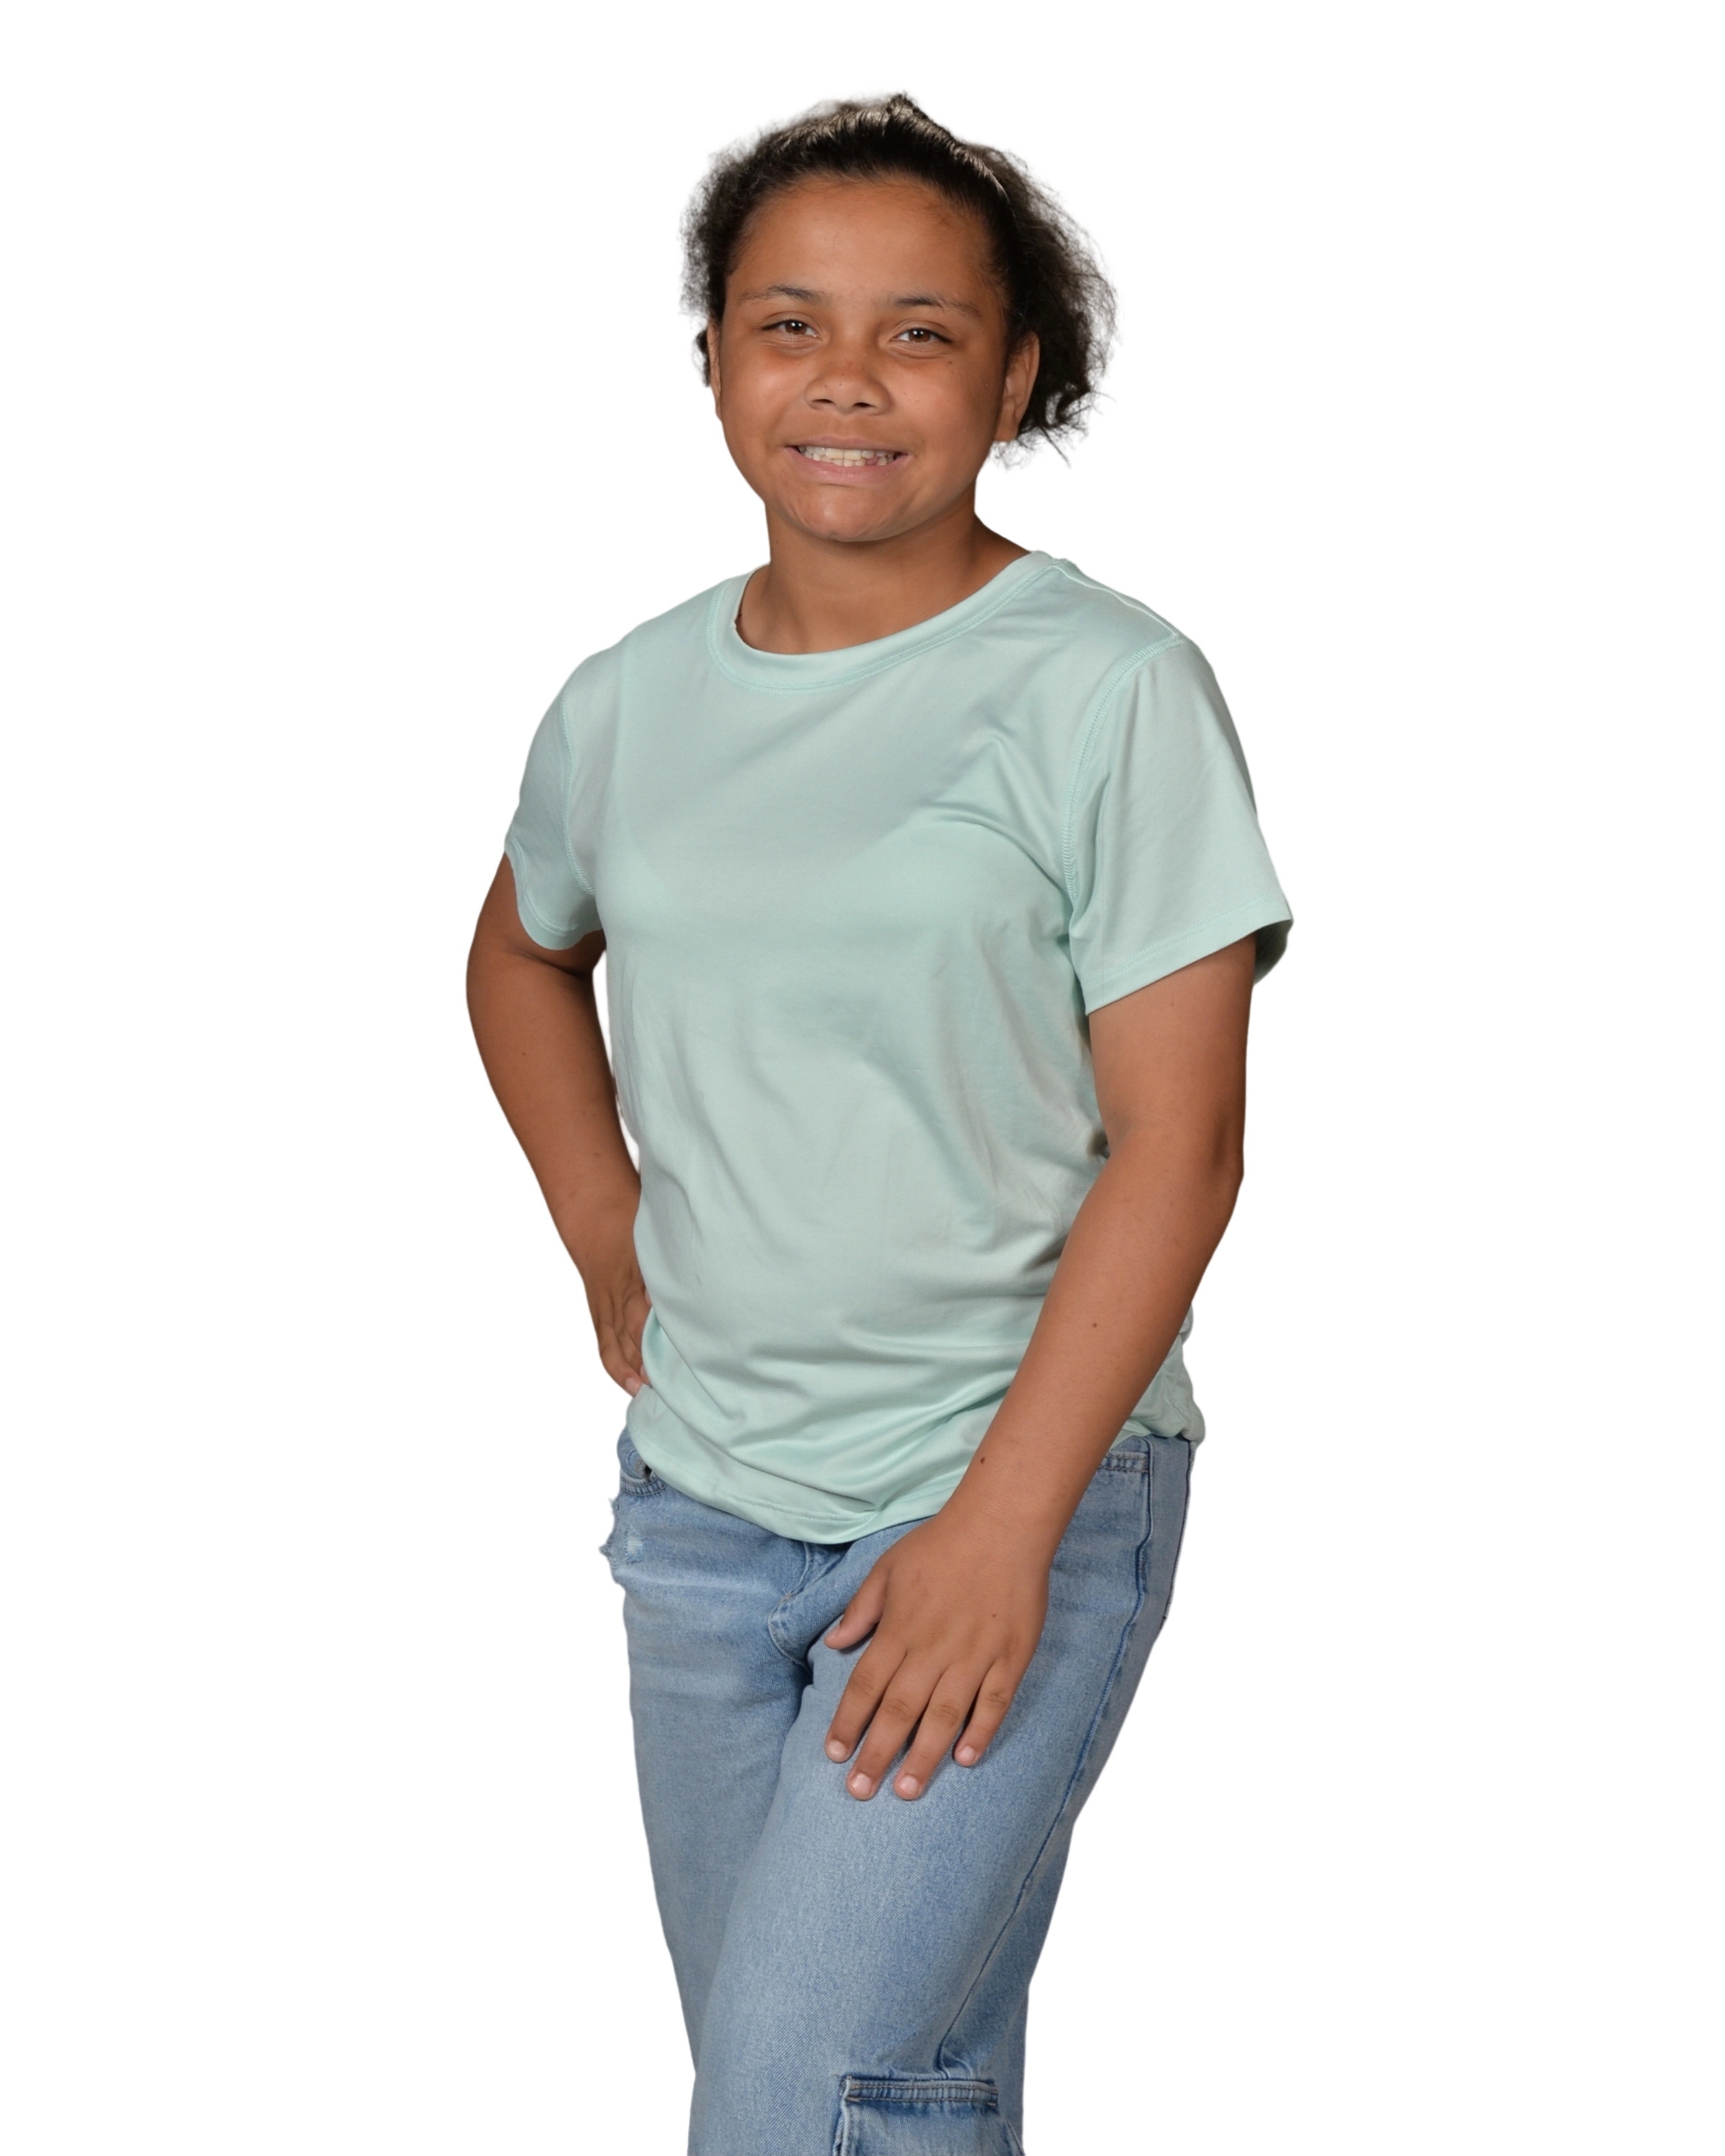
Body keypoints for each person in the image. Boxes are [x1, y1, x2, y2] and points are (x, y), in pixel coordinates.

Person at [463, 83, 1297, 2156]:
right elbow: (515, 958)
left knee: (791, 2102)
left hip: (1005, 1494)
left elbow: (1183, 1148)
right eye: (790, 324)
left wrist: (1000, 1533)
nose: (847, 380)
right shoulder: (625, 700)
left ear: (1010, 380)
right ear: (713, 363)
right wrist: (602, 1226)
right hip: (699, 1513)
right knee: (895, 2099)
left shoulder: (1108, 691)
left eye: (920, 332)